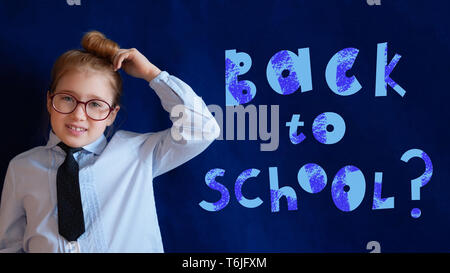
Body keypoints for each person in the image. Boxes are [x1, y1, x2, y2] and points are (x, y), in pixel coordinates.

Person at [0, 30, 220, 253]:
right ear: (49, 101)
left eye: (95, 104)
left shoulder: (136, 155)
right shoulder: (22, 168)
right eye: (67, 98)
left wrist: (152, 74)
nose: (78, 115)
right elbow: (9, 246)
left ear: (112, 114)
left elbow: (202, 130)